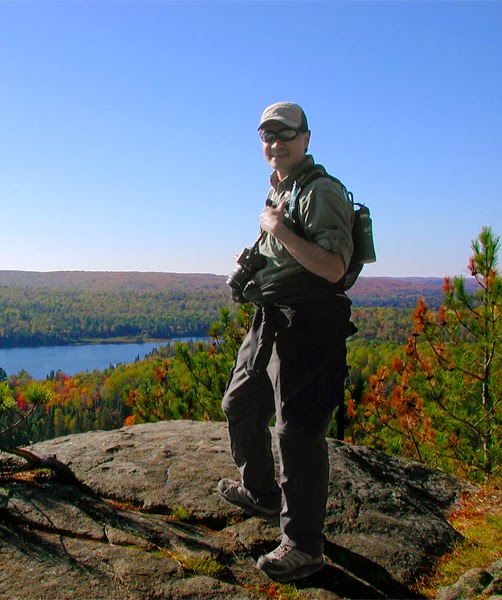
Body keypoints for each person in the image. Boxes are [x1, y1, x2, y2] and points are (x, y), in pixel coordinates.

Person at [218, 102, 355, 582]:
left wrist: (277, 229)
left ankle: (304, 546)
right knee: (239, 403)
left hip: (309, 323)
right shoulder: (282, 189)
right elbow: (288, 252)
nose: (275, 144)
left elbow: (334, 268)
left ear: (306, 138)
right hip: (270, 316)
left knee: (296, 432)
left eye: (285, 135)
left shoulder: (322, 192)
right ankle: (260, 491)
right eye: (266, 136)